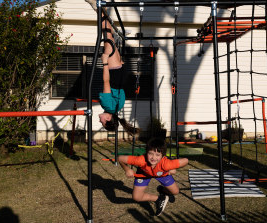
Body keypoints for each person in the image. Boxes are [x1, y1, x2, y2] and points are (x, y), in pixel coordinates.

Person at [85, 0, 139, 135]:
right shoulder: (108, 105)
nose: (100, 121)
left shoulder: (117, 107)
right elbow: (106, 82)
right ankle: (97, 7)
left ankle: (102, 10)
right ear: (109, 118)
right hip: (114, 73)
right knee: (107, 35)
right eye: (103, 122)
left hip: (121, 74)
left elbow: (120, 91)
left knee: (109, 36)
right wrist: (104, 62)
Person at [118, 138, 189, 216]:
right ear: (146, 152)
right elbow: (120, 158)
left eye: (157, 155)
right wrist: (127, 169)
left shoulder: (166, 164)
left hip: (162, 174)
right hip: (144, 174)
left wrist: (173, 168)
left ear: (162, 156)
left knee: (175, 192)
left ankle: (163, 191)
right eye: (150, 153)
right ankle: (159, 199)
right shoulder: (140, 160)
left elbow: (186, 160)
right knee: (136, 197)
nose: (153, 157)